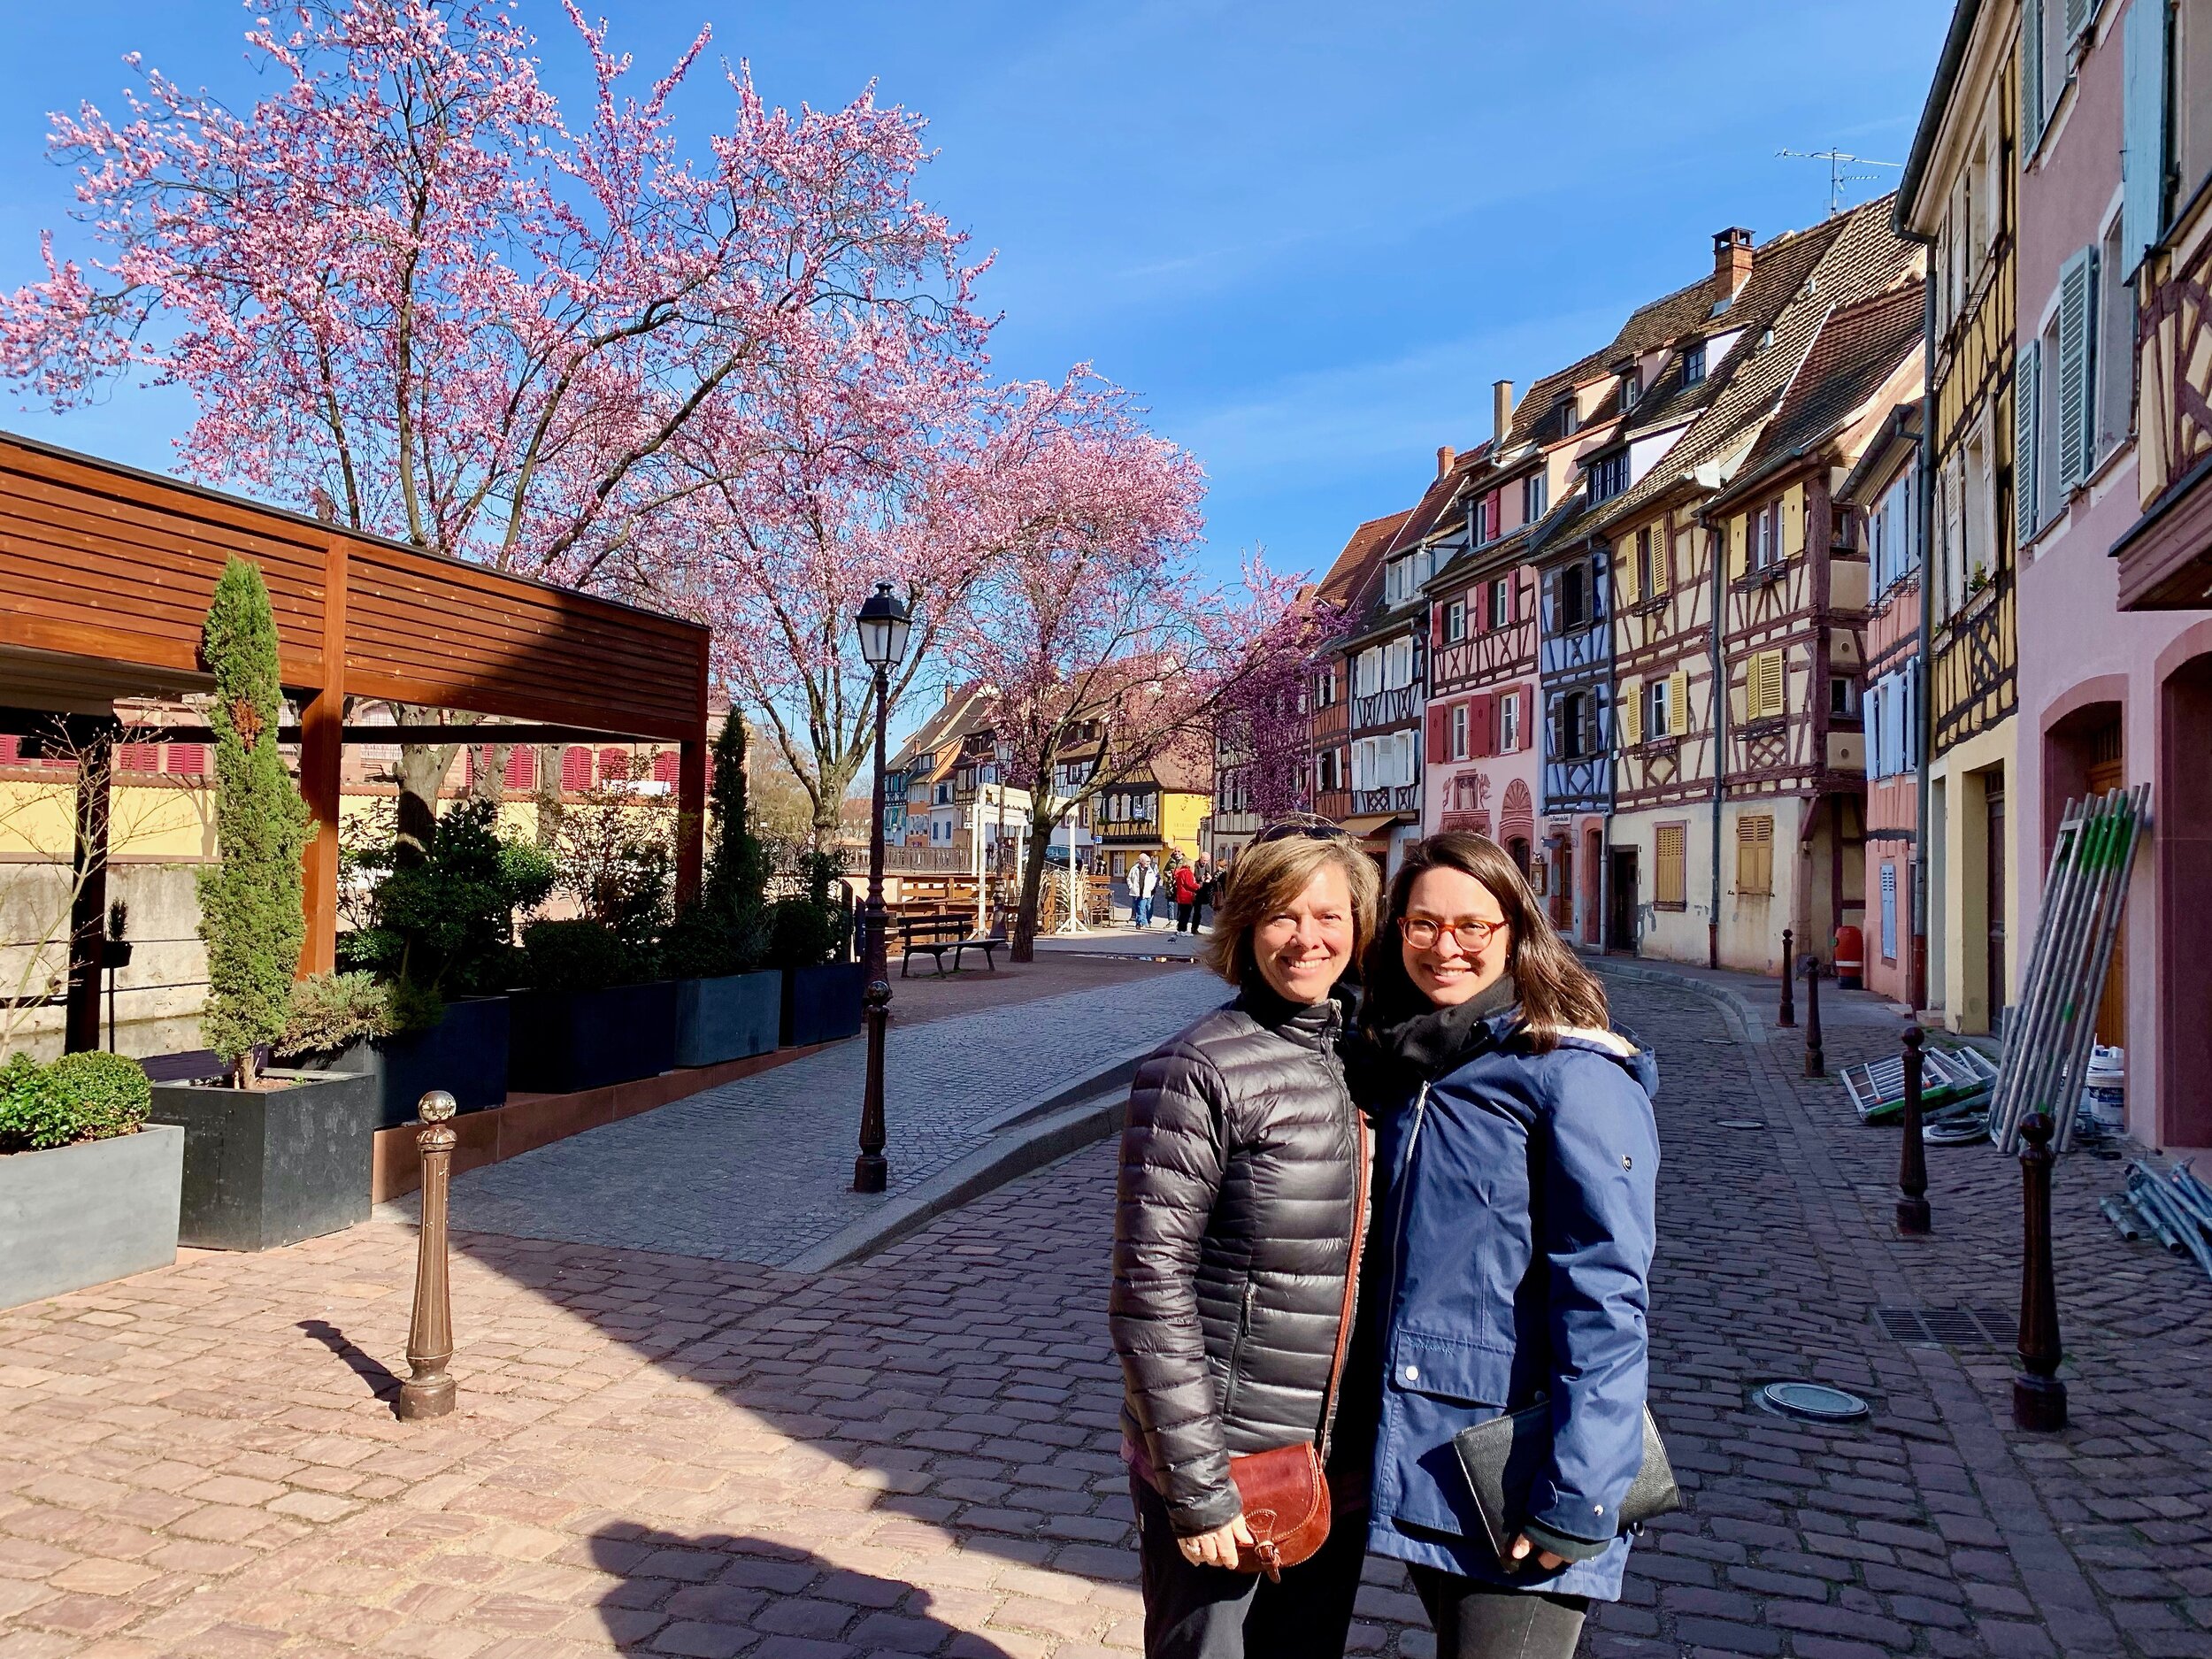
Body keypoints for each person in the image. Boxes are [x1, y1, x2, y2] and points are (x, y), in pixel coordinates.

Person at [1354, 832, 1659, 1659]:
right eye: (1421, 924)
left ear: (1515, 931)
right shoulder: (1419, 1060)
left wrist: (1583, 1489)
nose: (1444, 946)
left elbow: (1605, 1289)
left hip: (1522, 1462)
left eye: (1470, 926)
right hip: (1433, 1446)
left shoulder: (1571, 1071)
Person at [1109, 821, 1383, 1658]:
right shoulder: (1195, 1070)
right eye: (1282, 915)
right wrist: (1197, 1488)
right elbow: (1149, 1291)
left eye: (1330, 915)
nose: (1309, 938)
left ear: (1359, 927)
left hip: (1332, 1461)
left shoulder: (1360, 1061)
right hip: (1228, 1461)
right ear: (1244, 926)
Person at [1129, 851, 1160, 929]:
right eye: (1147, 861)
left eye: (1149, 861)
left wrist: (1150, 888)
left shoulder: (1150, 870)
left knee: (1141, 907)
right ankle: (1139, 921)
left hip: (1145, 892)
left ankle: (1140, 922)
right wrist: (1131, 886)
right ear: (1141, 861)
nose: (1148, 863)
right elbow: (1129, 878)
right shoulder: (1134, 869)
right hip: (1136, 891)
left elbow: (1153, 880)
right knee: (1137, 907)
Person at [1171, 858, 1202, 933]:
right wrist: (1198, 886)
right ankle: (1183, 929)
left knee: (1182, 913)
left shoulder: (1181, 871)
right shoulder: (1187, 872)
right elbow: (1189, 884)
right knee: (1186, 914)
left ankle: (1180, 928)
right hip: (1186, 895)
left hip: (1181, 895)